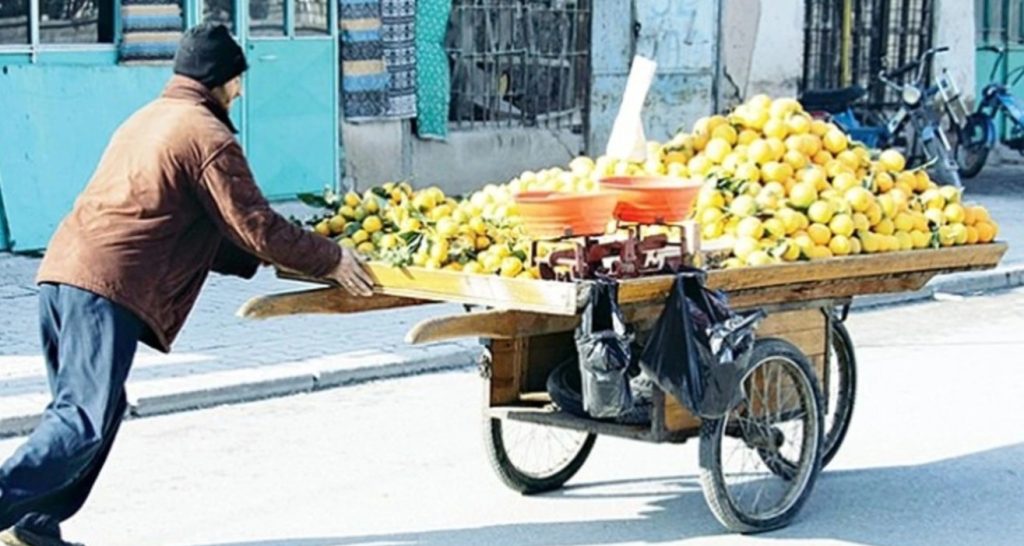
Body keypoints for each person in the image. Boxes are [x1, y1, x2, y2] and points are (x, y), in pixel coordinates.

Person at [0, 22, 373, 546]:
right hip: (105, 286)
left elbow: (190, 224)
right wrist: (330, 258)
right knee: (82, 420)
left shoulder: (148, 120)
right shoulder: (207, 135)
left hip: (63, 275)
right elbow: (257, 225)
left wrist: (266, 262)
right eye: (237, 80)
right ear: (217, 79)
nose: (241, 91)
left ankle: (32, 525)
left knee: (89, 412)